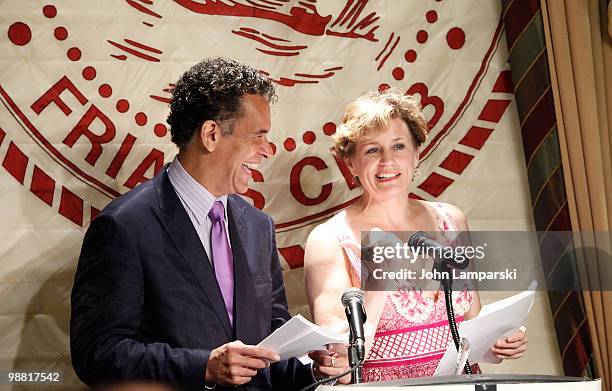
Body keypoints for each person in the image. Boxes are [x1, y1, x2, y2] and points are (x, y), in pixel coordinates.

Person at [71, 57, 346, 391]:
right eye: (258, 136)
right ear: (212, 134)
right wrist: (204, 367)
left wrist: (313, 368)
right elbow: (97, 354)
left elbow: (271, 348)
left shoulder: (258, 226)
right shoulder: (124, 226)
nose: (267, 150)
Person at [304, 90, 528, 382]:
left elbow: (471, 327)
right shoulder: (330, 239)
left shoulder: (451, 220)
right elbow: (340, 368)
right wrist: (378, 283)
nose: (387, 161)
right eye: (372, 150)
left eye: (398, 146)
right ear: (350, 163)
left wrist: (496, 344)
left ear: (416, 154)